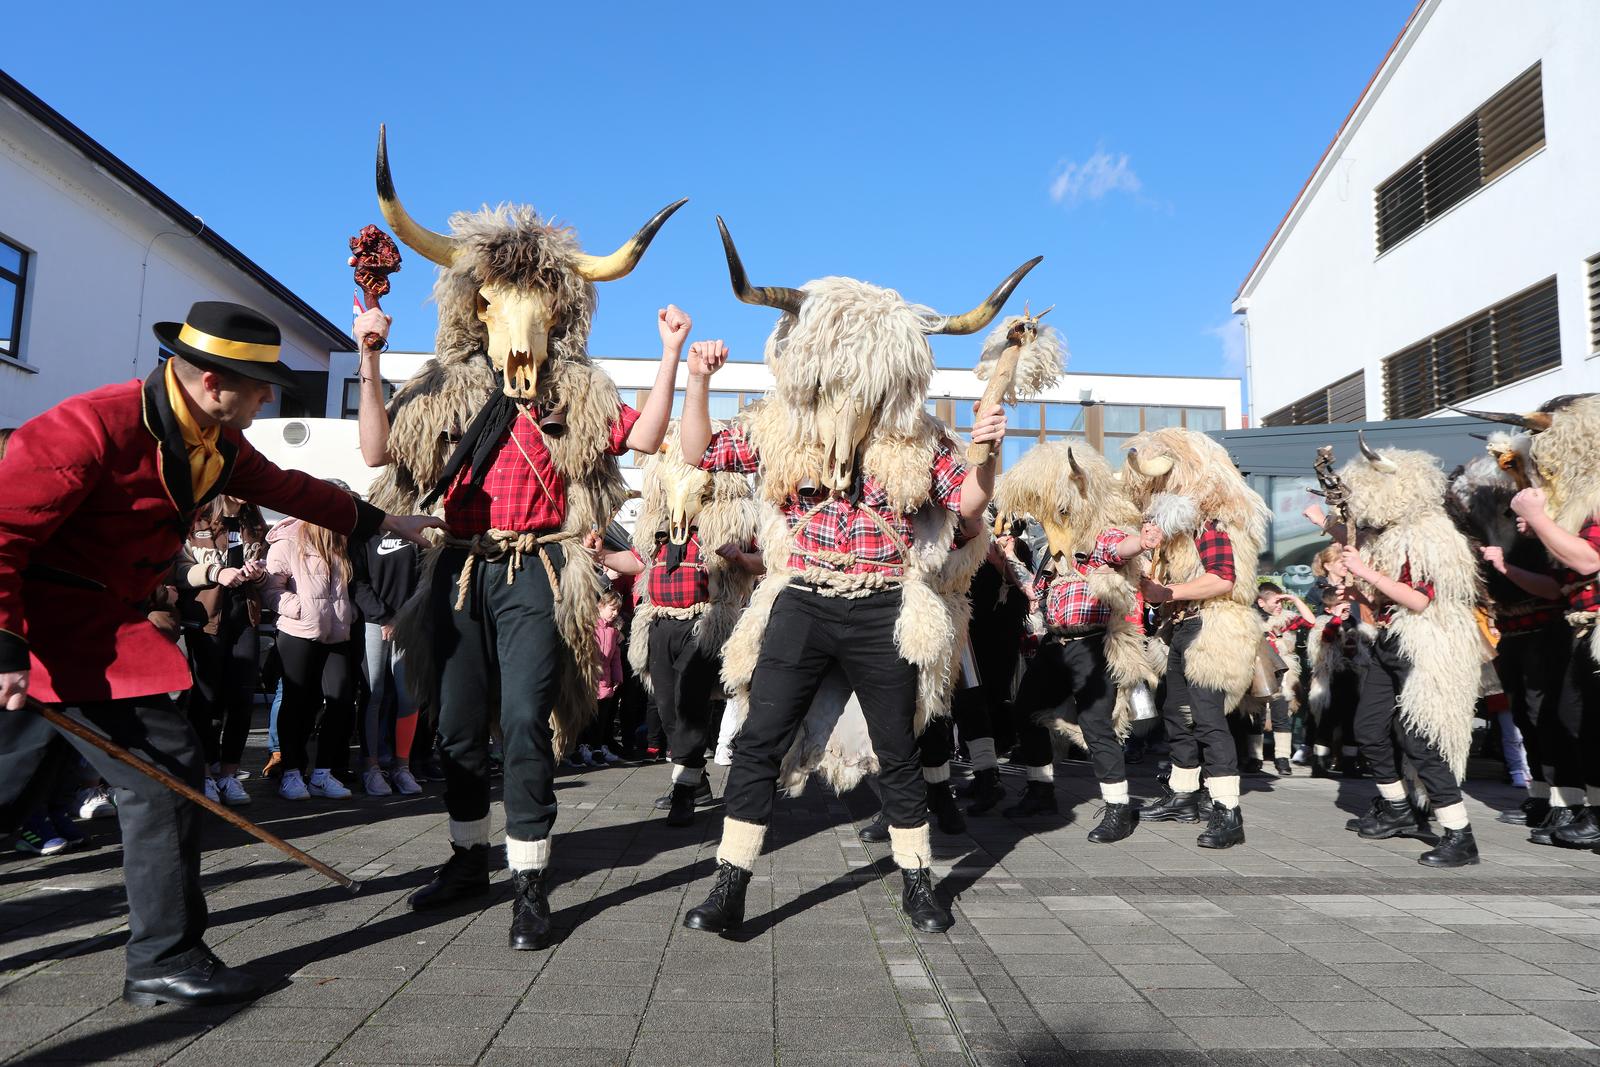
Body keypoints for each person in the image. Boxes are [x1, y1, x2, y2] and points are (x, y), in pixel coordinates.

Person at [0, 301, 441, 1007]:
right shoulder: (89, 424)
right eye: (259, 384)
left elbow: (297, 490)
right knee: (121, 775)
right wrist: (5, 646)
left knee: (139, 774)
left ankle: (162, 957)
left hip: (95, 637)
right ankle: (163, 956)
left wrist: (390, 520)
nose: (269, 397)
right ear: (212, 380)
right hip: (38, 635)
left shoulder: (219, 443)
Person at [678, 233, 1036, 937]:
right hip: (803, 596)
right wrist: (695, 381)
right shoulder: (778, 424)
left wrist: (988, 448)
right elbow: (700, 454)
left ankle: (918, 882)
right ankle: (730, 884)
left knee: (898, 749)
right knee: (757, 742)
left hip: (883, 604)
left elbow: (967, 504)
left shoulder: (917, 435)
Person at [990, 441, 1152, 842]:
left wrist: (1143, 542)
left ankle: (1118, 807)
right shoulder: (1051, 548)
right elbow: (1037, 590)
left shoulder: (1094, 535)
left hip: (1092, 645)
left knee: (1098, 725)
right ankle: (1040, 790)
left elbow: (1119, 546)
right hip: (1054, 644)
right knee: (1026, 710)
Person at [1335, 437, 1484, 867]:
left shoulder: (1431, 534)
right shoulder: (1391, 534)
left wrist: (1363, 572)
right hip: (1391, 638)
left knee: (1421, 739)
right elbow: (1376, 577)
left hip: (1427, 640)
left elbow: (1419, 600)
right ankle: (1398, 808)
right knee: (1368, 727)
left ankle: (1460, 834)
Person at [1124, 428, 1272, 849]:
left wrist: (1168, 592)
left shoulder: (1213, 520)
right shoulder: (1180, 532)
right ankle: (1184, 795)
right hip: (1183, 627)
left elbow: (1222, 580)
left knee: (1208, 720)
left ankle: (1228, 811)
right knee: (1175, 714)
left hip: (1215, 627)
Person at [262, 487, 362, 802]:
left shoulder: (341, 541)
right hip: (298, 631)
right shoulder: (288, 540)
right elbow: (271, 589)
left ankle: (322, 773)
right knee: (297, 703)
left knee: (341, 700)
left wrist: (348, 612)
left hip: (336, 633)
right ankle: (291, 772)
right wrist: (301, 609)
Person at [174, 496, 268, 806]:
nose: (245, 492)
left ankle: (229, 774)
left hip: (245, 617)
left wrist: (259, 573)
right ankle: (204, 775)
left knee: (242, 699)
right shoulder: (196, 520)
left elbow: (267, 569)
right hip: (207, 620)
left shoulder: (253, 521)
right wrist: (216, 573)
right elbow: (178, 569)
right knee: (207, 699)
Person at [349, 518, 424, 795]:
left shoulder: (415, 534)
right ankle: (371, 767)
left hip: (408, 622)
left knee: (409, 696)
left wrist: (403, 618)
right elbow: (358, 582)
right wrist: (383, 618)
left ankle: (402, 767)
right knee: (374, 691)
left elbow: (424, 581)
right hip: (373, 622)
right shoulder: (363, 537)